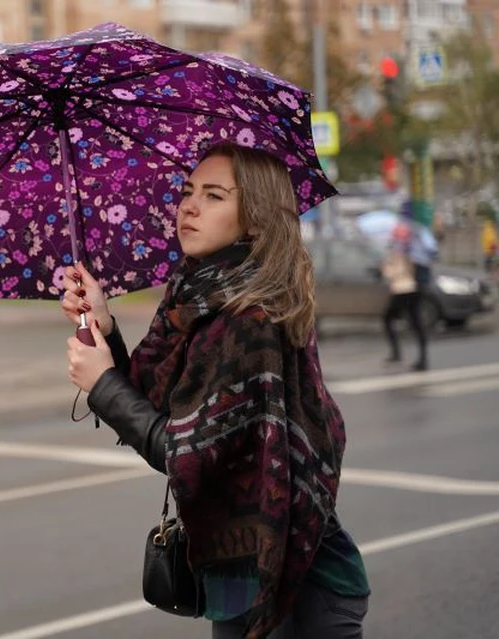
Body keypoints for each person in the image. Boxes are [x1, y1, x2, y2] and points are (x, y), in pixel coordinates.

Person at [61, 143, 370, 639]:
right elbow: (168, 405)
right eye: (187, 192)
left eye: (213, 195)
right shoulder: (199, 298)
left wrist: (102, 384)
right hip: (239, 578)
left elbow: (188, 450)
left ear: (254, 218)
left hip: (295, 584)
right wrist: (105, 326)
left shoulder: (252, 317)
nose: (189, 205)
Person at [381, 203, 434, 372]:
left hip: (406, 286)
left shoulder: (405, 233)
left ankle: (413, 358)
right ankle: (415, 357)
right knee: (411, 321)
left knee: (399, 320)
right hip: (412, 286)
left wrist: (389, 268)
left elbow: (399, 264)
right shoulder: (417, 233)